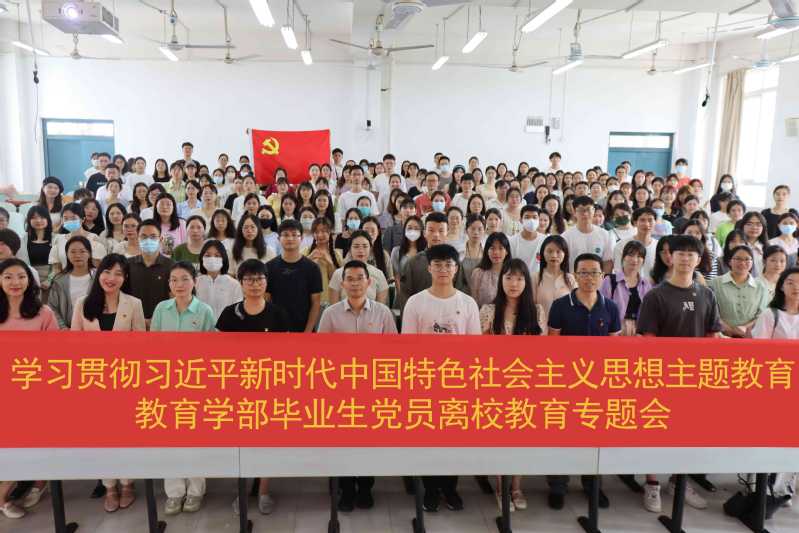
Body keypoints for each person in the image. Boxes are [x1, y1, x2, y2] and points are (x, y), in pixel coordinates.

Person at [636, 234, 722, 512]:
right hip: (662, 376)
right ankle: (651, 484)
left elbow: (712, 334)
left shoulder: (707, 295)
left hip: (695, 378)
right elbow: (648, 339)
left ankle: (679, 481)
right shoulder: (655, 296)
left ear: (699, 259)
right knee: (656, 431)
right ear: (669, 257)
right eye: (680, 253)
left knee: (688, 433)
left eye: (691, 254)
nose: (686, 258)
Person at [402, 244, 480, 512]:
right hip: (425, 383)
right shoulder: (416, 302)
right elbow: (408, 348)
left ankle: (450, 488)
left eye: (448, 264)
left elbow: (474, 350)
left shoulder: (467, 303)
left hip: (456, 384)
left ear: (456, 269)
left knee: (453, 442)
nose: (443, 269)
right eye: (438, 264)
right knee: (427, 441)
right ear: (429, 268)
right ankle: (430, 490)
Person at [317, 259, 396, 511]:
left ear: (369, 282)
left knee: (368, 443)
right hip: (340, 389)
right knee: (342, 442)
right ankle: (346, 488)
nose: (354, 284)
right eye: (349, 279)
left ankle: (365, 487)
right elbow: (320, 355)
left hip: (372, 389)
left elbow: (393, 352)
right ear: (342, 284)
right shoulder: (331, 314)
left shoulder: (383, 313)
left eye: (359, 278)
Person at [546, 253, 620, 509]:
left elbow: (614, 348)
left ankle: (592, 485)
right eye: (584, 272)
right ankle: (558, 485)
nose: (589, 278)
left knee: (595, 438)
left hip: (598, 384)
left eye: (594, 272)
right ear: (575, 275)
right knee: (562, 437)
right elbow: (552, 346)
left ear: (603, 276)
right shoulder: (560, 305)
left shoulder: (610, 307)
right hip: (567, 382)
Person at [150, 262, 214, 515]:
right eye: (174, 280)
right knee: (169, 441)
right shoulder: (161, 309)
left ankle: (196, 490)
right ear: (169, 284)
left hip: (195, 382)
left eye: (185, 279)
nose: (179, 284)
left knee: (196, 440)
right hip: (166, 382)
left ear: (194, 281)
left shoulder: (205, 310)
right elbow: (152, 345)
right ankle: (174, 492)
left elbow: (212, 350)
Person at [478, 258, 540, 512]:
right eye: (508, 277)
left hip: (524, 384)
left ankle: (516, 487)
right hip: (495, 384)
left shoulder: (536, 311)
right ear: (500, 280)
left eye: (519, 278)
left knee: (521, 440)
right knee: (499, 439)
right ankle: (501, 487)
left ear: (527, 282)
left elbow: (542, 353)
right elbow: (480, 352)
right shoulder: (488, 311)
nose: (514, 283)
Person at [396, 212, 469, 313]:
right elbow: (405, 294)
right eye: (431, 230)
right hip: (420, 316)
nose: (436, 235)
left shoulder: (454, 262)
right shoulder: (413, 263)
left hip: (449, 316)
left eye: (441, 231)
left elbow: (462, 292)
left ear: (447, 232)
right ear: (424, 233)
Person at [266, 220, 323, 332]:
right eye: (285, 235)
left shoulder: (312, 268)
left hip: (304, 330)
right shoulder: (269, 267)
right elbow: (266, 300)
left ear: (301, 238)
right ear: (278, 238)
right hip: (277, 330)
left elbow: (316, 303)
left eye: (294, 235)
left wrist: (307, 332)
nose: (290, 238)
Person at [71, 254, 145, 332]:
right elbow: (74, 337)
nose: (111, 278)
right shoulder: (81, 303)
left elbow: (140, 338)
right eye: (107, 272)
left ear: (125, 277)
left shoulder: (135, 304)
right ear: (99, 273)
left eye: (118, 274)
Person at [709, 245, 770, 338]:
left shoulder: (761, 287)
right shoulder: (714, 283)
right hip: (721, 336)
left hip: (751, 337)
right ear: (730, 261)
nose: (742, 263)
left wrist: (745, 328)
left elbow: (762, 314)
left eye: (747, 259)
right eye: (738, 259)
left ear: (752, 262)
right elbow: (710, 311)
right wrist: (728, 329)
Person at [127, 220, 175, 324]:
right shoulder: (128, 264)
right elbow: (123, 296)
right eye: (143, 236)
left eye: (153, 236)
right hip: (132, 322)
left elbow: (174, 298)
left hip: (163, 322)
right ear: (137, 238)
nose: (148, 240)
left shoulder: (172, 266)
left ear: (161, 239)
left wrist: (156, 320)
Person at [601, 240, 652, 336]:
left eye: (639, 256)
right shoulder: (610, 281)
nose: (635, 260)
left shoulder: (646, 285)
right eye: (631, 255)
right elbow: (602, 310)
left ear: (643, 260)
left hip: (638, 336)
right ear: (623, 257)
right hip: (613, 334)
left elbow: (649, 315)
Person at [328, 230, 388, 305]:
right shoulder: (338, 274)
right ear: (350, 249)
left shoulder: (379, 274)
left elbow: (380, 308)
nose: (361, 250)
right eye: (356, 246)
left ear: (370, 249)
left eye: (365, 246)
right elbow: (334, 308)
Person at [47, 236, 94, 329]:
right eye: (73, 252)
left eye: (82, 251)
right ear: (67, 255)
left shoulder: (99, 277)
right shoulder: (59, 280)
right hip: (68, 329)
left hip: (95, 329)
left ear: (89, 253)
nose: (77, 255)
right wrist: (63, 328)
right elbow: (52, 307)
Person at [532, 235, 576, 334]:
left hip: (566, 332)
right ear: (543, 253)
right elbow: (531, 307)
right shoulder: (535, 277)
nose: (554, 255)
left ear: (565, 254)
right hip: (541, 332)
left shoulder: (570, 279)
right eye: (549, 251)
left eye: (558, 251)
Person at [48, 202, 106, 275]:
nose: (69, 221)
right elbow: (56, 268)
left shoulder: (93, 239)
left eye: (73, 218)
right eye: (65, 218)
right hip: (65, 279)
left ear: (83, 219)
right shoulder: (59, 239)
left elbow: (99, 268)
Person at [562, 196, 614, 273]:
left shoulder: (605, 235)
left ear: (593, 211)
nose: (585, 214)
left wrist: (602, 279)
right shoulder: (566, 236)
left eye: (588, 210)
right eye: (581, 210)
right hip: (574, 278)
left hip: (598, 278)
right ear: (574, 212)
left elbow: (607, 262)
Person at [196, 239, 243, 320]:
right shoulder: (195, 283)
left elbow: (237, 312)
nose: (212, 258)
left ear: (223, 258)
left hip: (226, 327)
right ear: (202, 258)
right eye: (207, 255)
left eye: (217, 255)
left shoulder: (234, 284)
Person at [752, 267, 799, 339]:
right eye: (790, 283)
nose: (796, 287)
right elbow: (760, 344)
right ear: (781, 287)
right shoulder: (769, 314)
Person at [612, 207, 657, 280]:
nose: (646, 224)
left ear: (655, 222)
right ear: (635, 223)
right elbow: (619, 271)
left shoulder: (658, 246)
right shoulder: (622, 245)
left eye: (650, 220)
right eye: (642, 220)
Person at [470, 232, 511, 308]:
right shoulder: (478, 273)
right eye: (492, 248)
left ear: (506, 251)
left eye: (500, 248)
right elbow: (473, 304)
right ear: (487, 251)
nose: (496, 252)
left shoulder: (512, 274)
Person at [23, 205, 54, 282]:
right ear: (29, 220)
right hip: (28, 278)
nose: (38, 220)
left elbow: (58, 266)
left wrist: (49, 281)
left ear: (48, 219)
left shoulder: (56, 238)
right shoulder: (23, 240)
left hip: (52, 279)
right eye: (34, 218)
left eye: (42, 217)